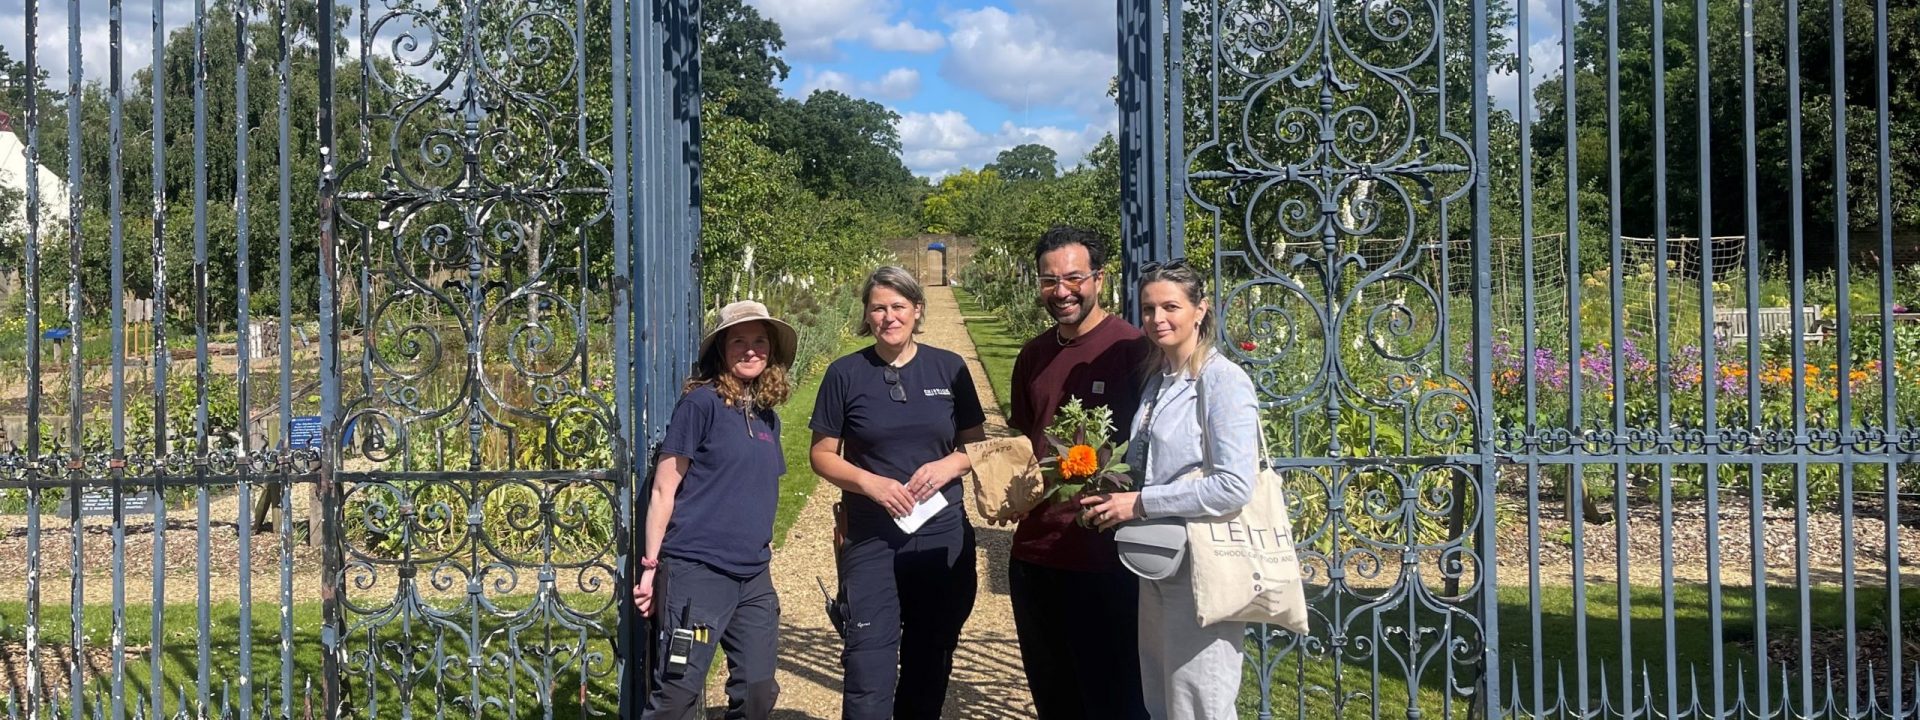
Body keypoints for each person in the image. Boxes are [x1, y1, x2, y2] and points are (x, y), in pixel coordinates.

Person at [1079, 259, 1258, 719]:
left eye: (1170, 307)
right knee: (1162, 693)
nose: (1157, 319)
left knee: (1201, 699)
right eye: (1148, 308)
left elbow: (1234, 485)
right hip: (1159, 560)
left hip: (1204, 562)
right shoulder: (1157, 380)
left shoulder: (1223, 382)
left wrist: (1139, 503)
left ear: (1200, 310)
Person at [810, 266, 987, 720]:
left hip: (940, 534)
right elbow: (823, 455)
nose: (889, 317)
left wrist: (949, 463)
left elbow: (976, 446)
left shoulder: (949, 368)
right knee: (868, 665)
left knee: (929, 662)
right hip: (871, 539)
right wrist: (870, 483)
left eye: (898, 307)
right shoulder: (845, 374)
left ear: (917, 310)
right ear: (866, 316)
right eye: (878, 308)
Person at [1004, 226, 1153, 719]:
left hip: (1107, 556)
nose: (1061, 291)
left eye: (1073, 278)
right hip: (1037, 554)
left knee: (1115, 699)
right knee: (1056, 699)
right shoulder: (1033, 355)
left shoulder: (1133, 350)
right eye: (1049, 280)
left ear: (1099, 279)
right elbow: (1026, 442)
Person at [632, 300, 796, 720]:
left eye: (759, 341)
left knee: (759, 690)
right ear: (721, 350)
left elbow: (758, 487)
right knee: (677, 693)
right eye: (738, 340)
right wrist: (651, 568)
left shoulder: (767, 418)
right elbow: (665, 489)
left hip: (754, 576)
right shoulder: (700, 405)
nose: (750, 349)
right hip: (697, 572)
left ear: (771, 350)